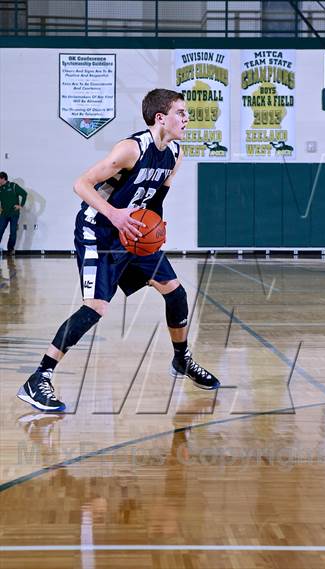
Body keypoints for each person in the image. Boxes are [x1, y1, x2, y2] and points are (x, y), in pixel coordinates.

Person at [17, 88, 220, 412]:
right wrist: (114, 215)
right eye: (181, 112)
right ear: (160, 118)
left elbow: (155, 201)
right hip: (98, 231)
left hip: (134, 232)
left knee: (176, 292)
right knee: (96, 308)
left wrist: (156, 229)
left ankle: (182, 360)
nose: (187, 118)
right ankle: (39, 377)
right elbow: (81, 184)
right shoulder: (131, 149)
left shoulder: (175, 154)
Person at [0, 171, 27, 255]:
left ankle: (10, 249)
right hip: (4, 214)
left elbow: (24, 194)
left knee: (13, 232)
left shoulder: (13, 186)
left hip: (14, 214)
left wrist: (20, 205)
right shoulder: (0, 188)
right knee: (0, 230)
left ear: (3, 178)